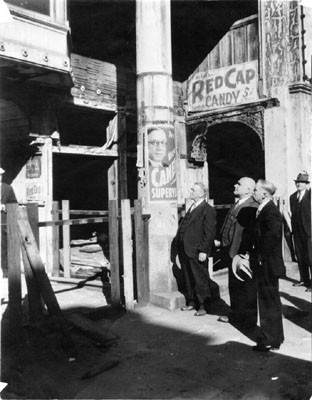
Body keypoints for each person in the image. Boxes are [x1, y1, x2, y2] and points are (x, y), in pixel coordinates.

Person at [217, 177, 258, 330]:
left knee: (247, 287)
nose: (235, 185)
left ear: (248, 189)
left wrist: (246, 253)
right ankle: (236, 314)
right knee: (234, 286)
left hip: (242, 253)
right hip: (230, 250)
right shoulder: (237, 203)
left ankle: (249, 321)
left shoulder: (252, 205)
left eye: (239, 184)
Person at [252, 179, 285, 351]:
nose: (254, 192)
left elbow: (271, 238)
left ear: (264, 193)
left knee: (269, 302)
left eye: (256, 190)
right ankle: (273, 337)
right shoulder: (264, 209)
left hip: (268, 264)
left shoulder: (270, 211)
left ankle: (270, 339)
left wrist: (260, 257)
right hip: (266, 263)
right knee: (268, 301)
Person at [174, 182, 216, 316]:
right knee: (189, 277)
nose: (190, 191)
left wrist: (203, 250)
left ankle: (204, 305)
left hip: (197, 251)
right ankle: (192, 302)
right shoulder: (192, 207)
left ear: (201, 193)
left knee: (200, 279)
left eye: (193, 190)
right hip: (186, 250)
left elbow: (209, 233)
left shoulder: (208, 209)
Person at [289, 171, 311, 292]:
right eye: (297, 182)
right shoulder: (292, 197)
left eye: (302, 182)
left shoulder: (310, 195)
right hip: (297, 232)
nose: (299, 184)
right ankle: (304, 279)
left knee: (310, 256)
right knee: (300, 256)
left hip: (309, 231)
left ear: (306, 184)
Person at [1, 167, 17, 278]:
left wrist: (4, 207)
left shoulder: (8, 188)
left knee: (4, 247)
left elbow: (14, 204)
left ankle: (5, 271)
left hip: (2, 222)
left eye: (0, 175)